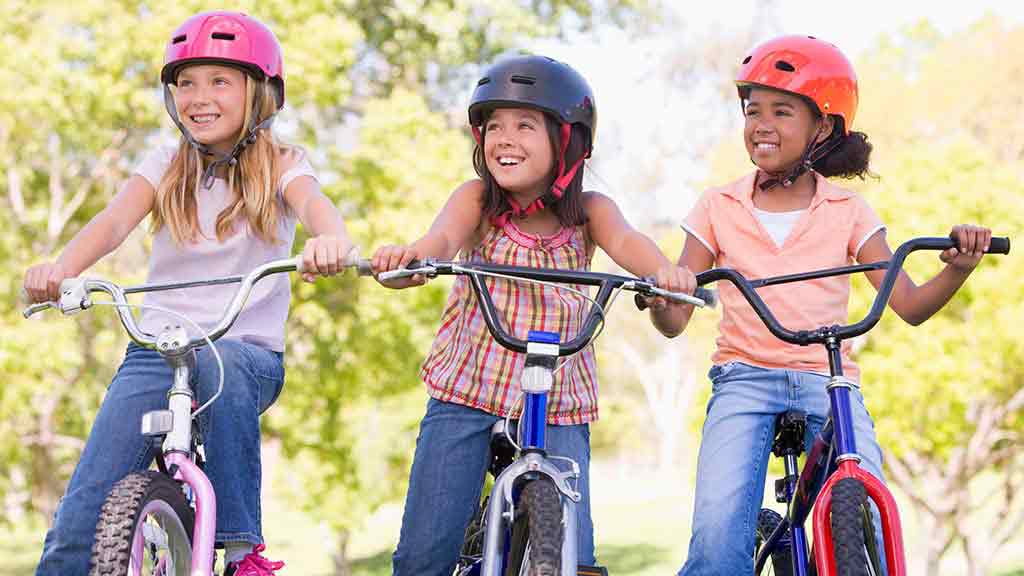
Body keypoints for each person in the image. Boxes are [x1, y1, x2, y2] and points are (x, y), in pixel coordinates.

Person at [22, 11, 353, 576]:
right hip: (157, 349)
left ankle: (244, 551)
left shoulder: (282, 166)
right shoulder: (166, 165)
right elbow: (111, 223)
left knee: (221, 363)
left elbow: (317, 208)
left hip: (242, 353)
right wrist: (61, 268)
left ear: (261, 94)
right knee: (86, 509)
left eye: (219, 81)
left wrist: (332, 238)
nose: (198, 97)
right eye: (186, 83)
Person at [649, 34, 993, 575]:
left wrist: (957, 266)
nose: (761, 123)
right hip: (744, 377)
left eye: (781, 111)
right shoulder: (718, 205)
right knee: (717, 539)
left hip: (827, 378)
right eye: (752, 110)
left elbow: (908, 304)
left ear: (823, 127)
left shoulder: (847, 209)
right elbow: (675, 319)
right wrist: (663, 293)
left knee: (868, 513)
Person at [371, 54, 693, 575]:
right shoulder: (477, 200)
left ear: (567, 142)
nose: (504, 137)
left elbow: (629, 243)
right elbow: (442, 239)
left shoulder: (591, 212)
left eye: (524, 125)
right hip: (469, 389)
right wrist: (413, 259)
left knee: (576, 557)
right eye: (493, 126)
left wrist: (664, 273)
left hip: (559, 397)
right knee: (423, 555)